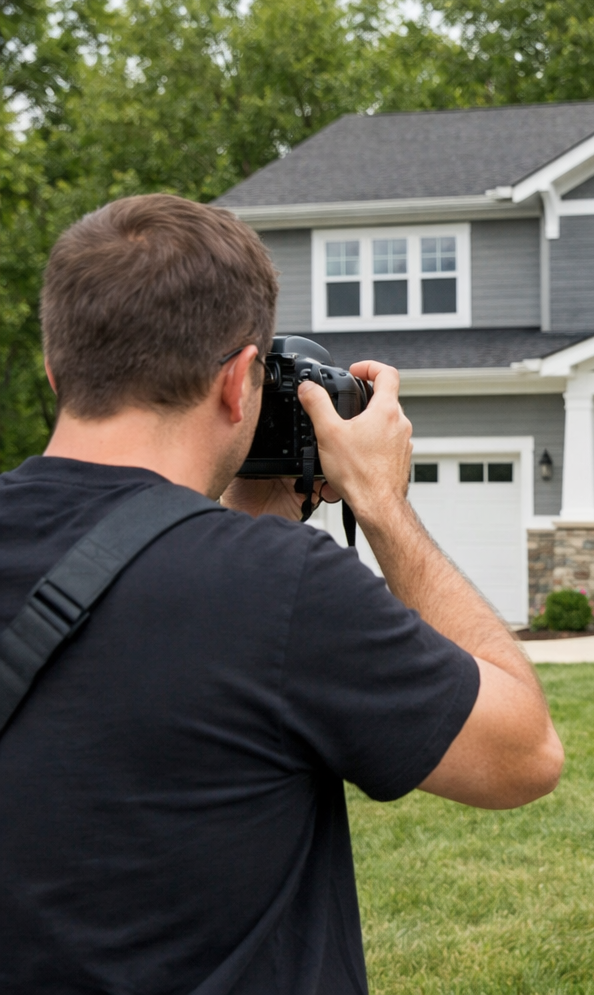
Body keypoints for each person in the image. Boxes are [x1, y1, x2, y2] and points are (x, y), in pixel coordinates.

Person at [0, 194, 563, 994]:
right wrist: (382, 502)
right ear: (240, 384)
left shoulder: (253, 576)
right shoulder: (278, 591)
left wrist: (257, 508)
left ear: (58, 373)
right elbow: (524, 754)